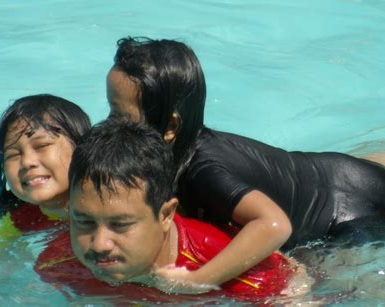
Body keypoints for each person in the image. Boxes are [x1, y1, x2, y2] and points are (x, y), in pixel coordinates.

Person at [106, 36, 385, 290]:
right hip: (347, 170)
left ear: (170, 126)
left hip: (345, 218)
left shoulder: (202, 171)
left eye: (119, 115)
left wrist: (200, 280)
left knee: (344, 288)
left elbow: (274, 225)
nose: (108, 124)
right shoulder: (192, 143)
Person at [38, 118, 307, 302]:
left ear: (165, 215)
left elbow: (298, 291)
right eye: (83, 221)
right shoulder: (56, 265)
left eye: (120, 225)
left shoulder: (252, 281)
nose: (99, 244)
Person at [0, 94, 91, 232]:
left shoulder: (108, 206)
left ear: (81, 149)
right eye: (13, 154)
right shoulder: (19, 219)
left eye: (42, 146)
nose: (27, 162)